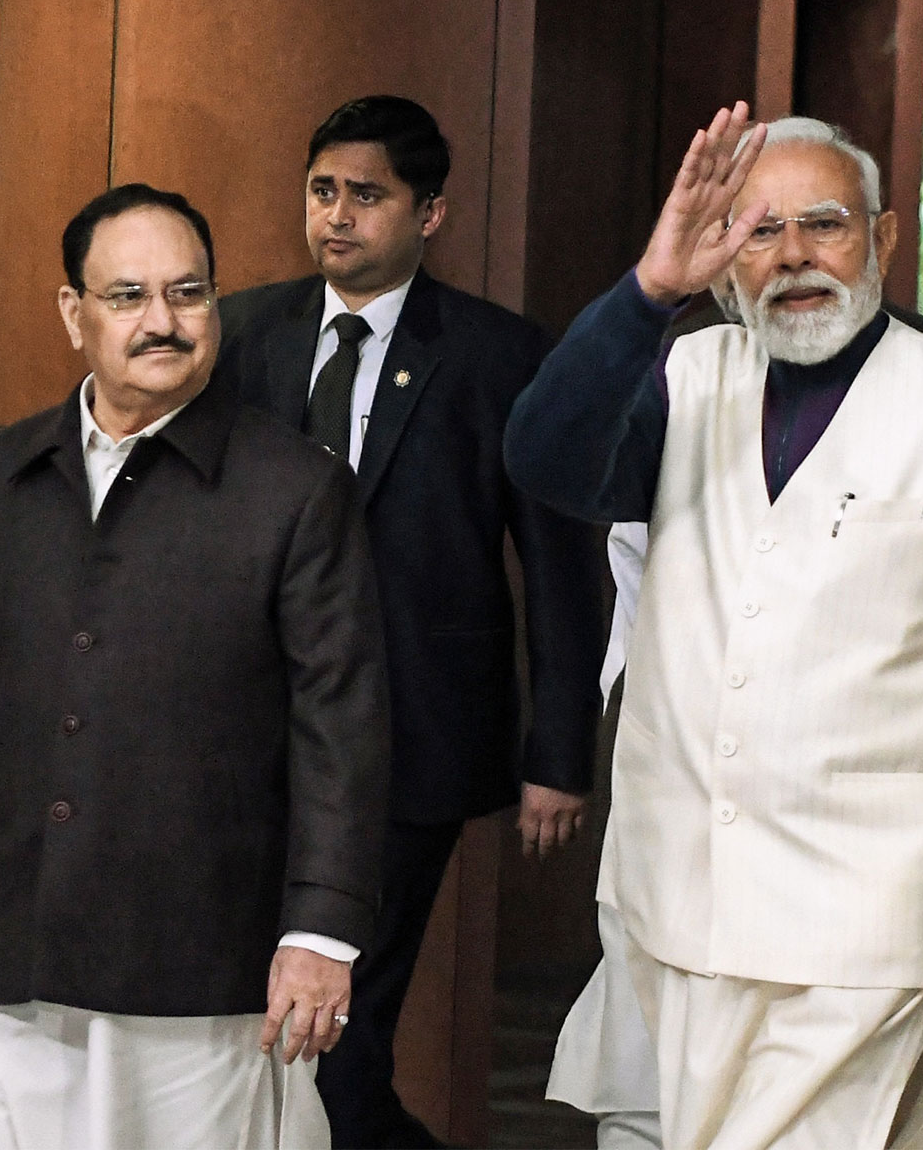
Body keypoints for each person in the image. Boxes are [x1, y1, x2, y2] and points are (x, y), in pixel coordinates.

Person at [505, 106, 923, 1149]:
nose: (791, 257)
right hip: (682, 914)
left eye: (822, 225)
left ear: (880, 238)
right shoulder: (681, 374)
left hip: (867, 933)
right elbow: (543, 458)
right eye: (758, 230)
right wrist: (652, 287)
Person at [0, 183, 391, 1150]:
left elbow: (342, 726)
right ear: (71, 313)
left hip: (197, 969)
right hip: (4, 951)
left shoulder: (294, 490)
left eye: (189, 294)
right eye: (127, 297)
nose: (162, 322)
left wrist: (319, 934)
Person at [217, 95, 607, 1149]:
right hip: (247, 735)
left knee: (348, 1020)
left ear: (429, 214)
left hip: (413, 736)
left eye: (368, 195)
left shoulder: (496, 355)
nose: (338, 216)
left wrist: (557, 754)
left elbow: (564, 566)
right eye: (323, 191)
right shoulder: (245, 334)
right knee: (258, 1019)